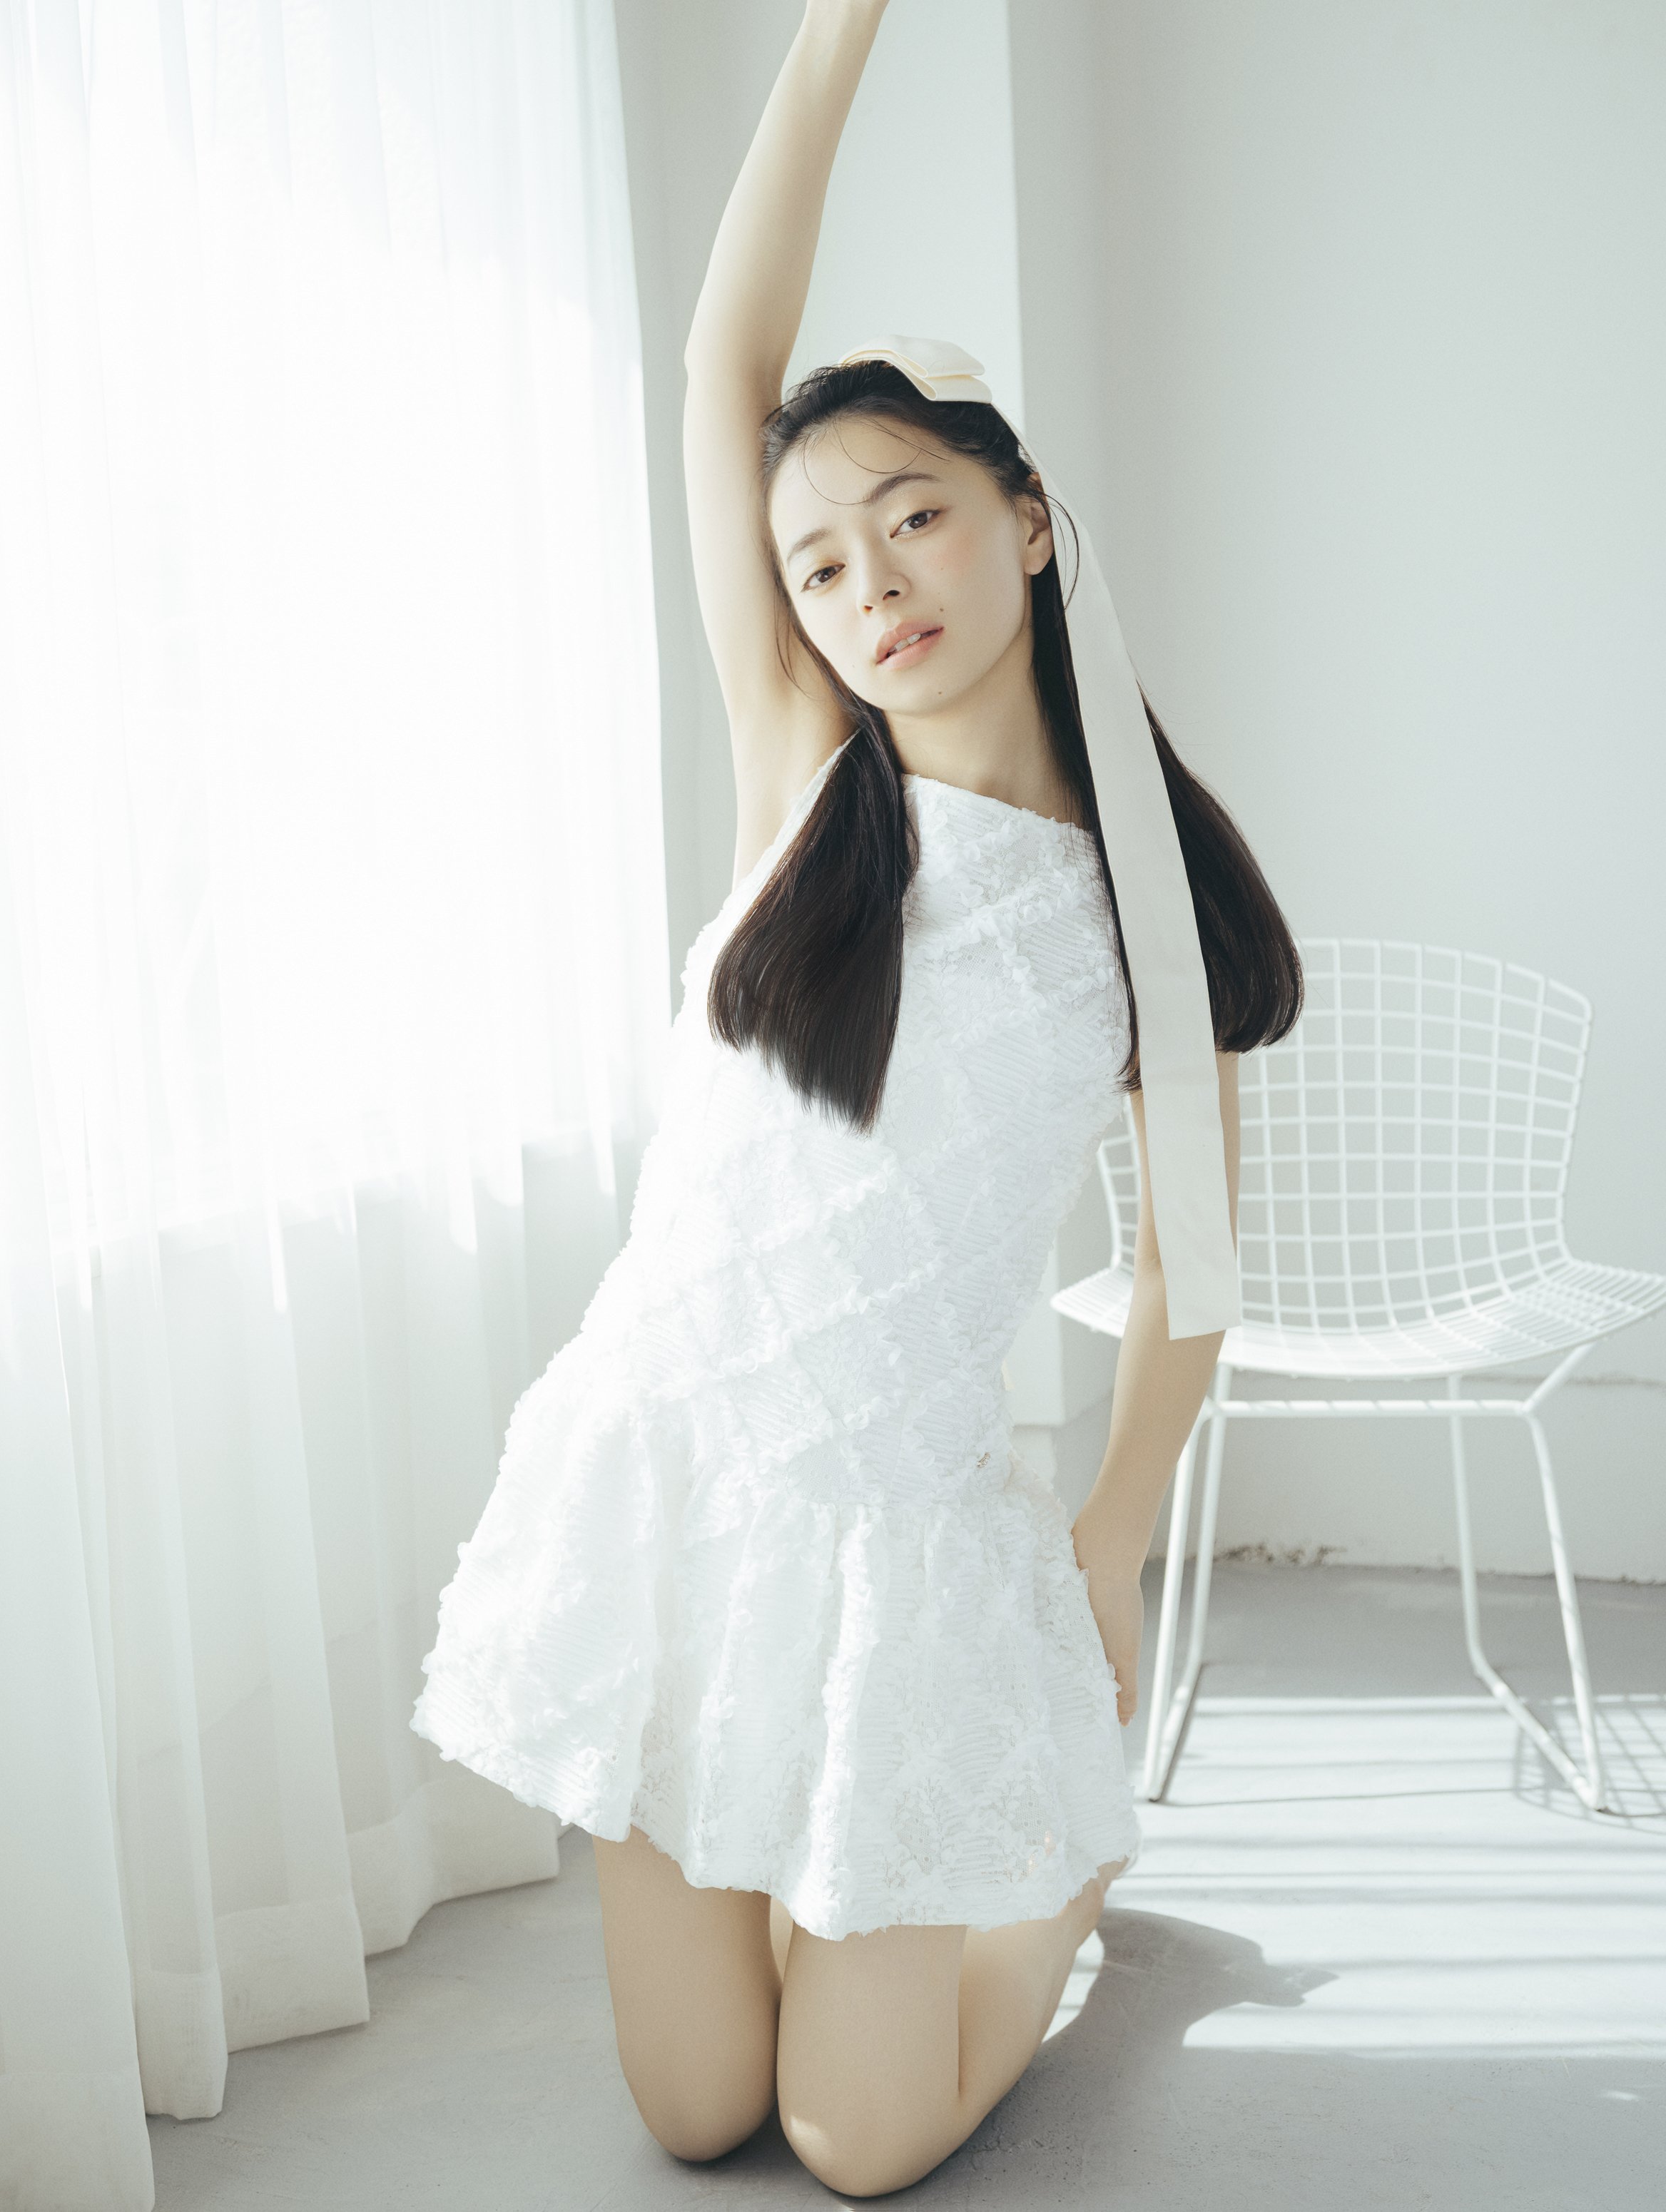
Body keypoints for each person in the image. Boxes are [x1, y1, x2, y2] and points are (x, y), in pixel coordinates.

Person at [412, 0, 1302, 2194]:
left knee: (854, 2140)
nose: (868, 586)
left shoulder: (1140, 912)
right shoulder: (806, 778)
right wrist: (833, 38)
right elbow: (724, 365)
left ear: (1029, 520)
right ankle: (864, 1901)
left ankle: (1061, 1883)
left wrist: (1111, 1542)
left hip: (889, 1542)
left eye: (914, 520)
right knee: (697, 2113)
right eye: (819, 563)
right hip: (664, 1487)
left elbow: (1191, 1265)